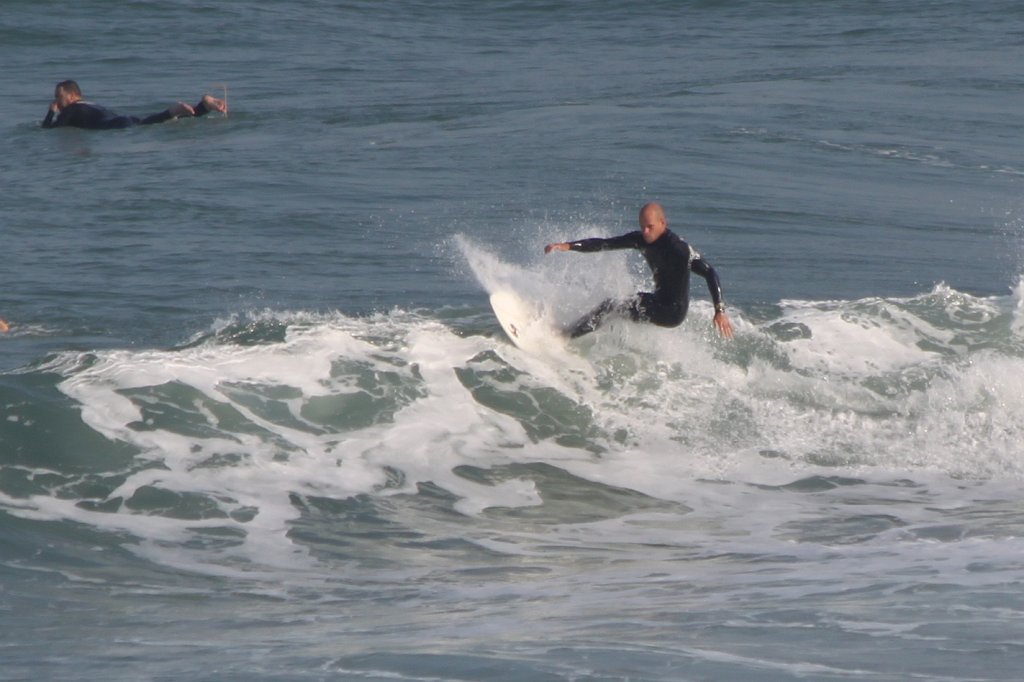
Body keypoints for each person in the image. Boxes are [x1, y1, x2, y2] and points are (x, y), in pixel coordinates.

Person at [544, 202, 734, 339]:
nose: (645, 232)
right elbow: (604, 243)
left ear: (663, 223)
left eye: (650, 227)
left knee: (614, 305)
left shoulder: (679, 250)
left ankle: (566, 335)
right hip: (657, 300)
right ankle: (582, 335)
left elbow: (710, 272)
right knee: (618, 305)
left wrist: (719, 310)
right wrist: (568, 246)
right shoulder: (640, 239)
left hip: (672, 312)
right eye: (642, 227)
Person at [41, 80, 227, 130]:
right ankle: (203, 106)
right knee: (161, 121)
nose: (57, 101)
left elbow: (49, 129)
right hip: (122, 119)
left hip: (117, 125)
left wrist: (51, 113)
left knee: (155, 122)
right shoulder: (90, 104)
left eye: (59, 97)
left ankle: (173, 110)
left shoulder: (72, 109)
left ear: (73, 96)